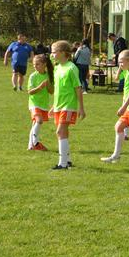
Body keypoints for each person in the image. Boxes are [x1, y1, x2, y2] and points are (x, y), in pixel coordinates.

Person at [50, 40, 86, 170]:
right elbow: (59, 89)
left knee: (60, 131)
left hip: (68, 105)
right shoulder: (57, 67)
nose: (52, 54)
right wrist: (53, 106)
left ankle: (63, 164)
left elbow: (78, 88)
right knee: (63, 132)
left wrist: (81, 108)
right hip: (59, 106)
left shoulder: (71, 68)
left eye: (54, 52)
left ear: (62, 52)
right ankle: (68, 160)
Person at [26, 54, 54, 151]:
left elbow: (51, 92)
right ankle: (36, 143)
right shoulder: (33, 76)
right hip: (34, 103)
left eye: (37, 64)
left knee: (35, 124)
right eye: (34, 64)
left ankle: (30, 146)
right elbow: (30, 91)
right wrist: (40, 87)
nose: (35, 66)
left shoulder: (48, 76)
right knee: (39, 120)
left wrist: (48, 86)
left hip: (44, 104)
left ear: (44, 64)